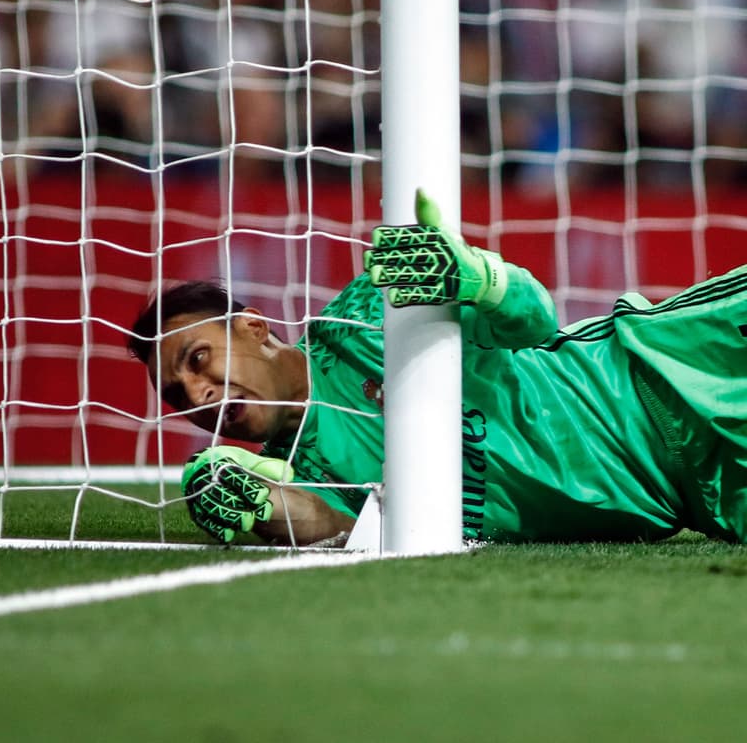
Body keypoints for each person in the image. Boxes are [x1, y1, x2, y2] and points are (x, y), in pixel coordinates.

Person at [127, 189, 747, 546]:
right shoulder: (315, 478)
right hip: (698, 495)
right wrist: (252, 500)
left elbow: (534, 321)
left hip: (663, 368)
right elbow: (332, 529)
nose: (199, 393)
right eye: (179, 395)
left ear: (256, 328)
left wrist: (478, 275)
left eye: (198, 359)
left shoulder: (370, 313)